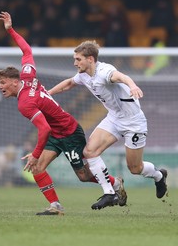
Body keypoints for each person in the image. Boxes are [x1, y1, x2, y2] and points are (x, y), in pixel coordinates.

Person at [0, 12, 126, 215]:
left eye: (3, 83)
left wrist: (35, 153)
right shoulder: (28, 75)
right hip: (56, 134)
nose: (0, 87)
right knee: (38, 168)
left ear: (14, 81)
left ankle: (115, 183)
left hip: (69, 132)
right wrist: (10, 30)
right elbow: (26, 50)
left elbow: (44, 128)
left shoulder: (25, 103)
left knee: (82, 176)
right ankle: (55, 206)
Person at [48, 40, 168, 202]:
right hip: (114, 118)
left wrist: (132, 86)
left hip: (133, 122)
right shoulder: (84, 75)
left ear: (90, 59)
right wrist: (48, 93)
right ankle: (110, 193)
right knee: (89, 152)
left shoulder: (105, 71)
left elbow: (122, 77)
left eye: (78, 59)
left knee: (135, 168)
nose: (75, 63)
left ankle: (159, 175)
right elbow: (69, 83)